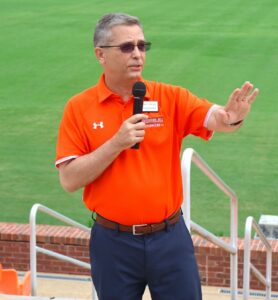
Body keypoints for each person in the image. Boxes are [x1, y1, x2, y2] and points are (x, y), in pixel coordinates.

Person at [55, 13, 259, 300]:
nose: (137, 54)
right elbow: (69, 179)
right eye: (127, 47)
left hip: (169, 239)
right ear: (100, 54)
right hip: (112, 243)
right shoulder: (79, 108)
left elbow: (216, 118)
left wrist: (233, 118)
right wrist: (116, 143)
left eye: (142, 45)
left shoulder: (169, 97)